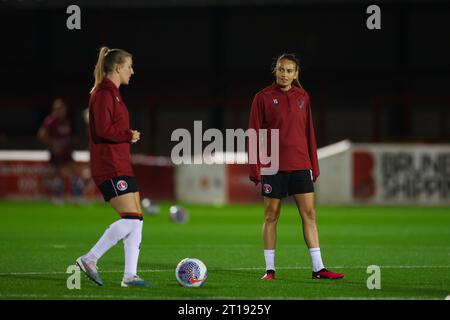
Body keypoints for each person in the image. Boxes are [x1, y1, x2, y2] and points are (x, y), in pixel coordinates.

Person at [248, 53, 344, 280]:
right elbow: (253, 134)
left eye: (289, 70)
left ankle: (318, 268)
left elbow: (309, 132)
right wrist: (256, 168)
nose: (284, 74)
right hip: (273, 166)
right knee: (271, 215)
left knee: (309, 214)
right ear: (275, 70)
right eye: (281, 69)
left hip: (300, 163)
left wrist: (314, 165)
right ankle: (269, 270)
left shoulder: (303, 96)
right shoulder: (262, 97)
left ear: (296, 73)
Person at [75, 46, 150, 287]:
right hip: (109, 166)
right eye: (129, 66)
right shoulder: (103, 94)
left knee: (137, 220)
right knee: (131, 218)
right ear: (118, 67)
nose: (132, 71)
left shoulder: (113, 93)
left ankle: (130, 276)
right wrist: (128, 135)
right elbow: (102, 131)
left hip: (120, 164)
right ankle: (90, 258)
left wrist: (127, 136)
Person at [37, 98, 85, 205]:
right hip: (56, 153)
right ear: (55, 109)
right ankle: (57, 197)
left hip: (67, 152)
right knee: (61, 174)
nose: (61, 111)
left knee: (77, 173)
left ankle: (77, 196)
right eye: (59, 109)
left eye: (63, 109)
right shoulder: (50, 121)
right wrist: (53, 143)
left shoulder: (66, 121)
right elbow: (41, 135)